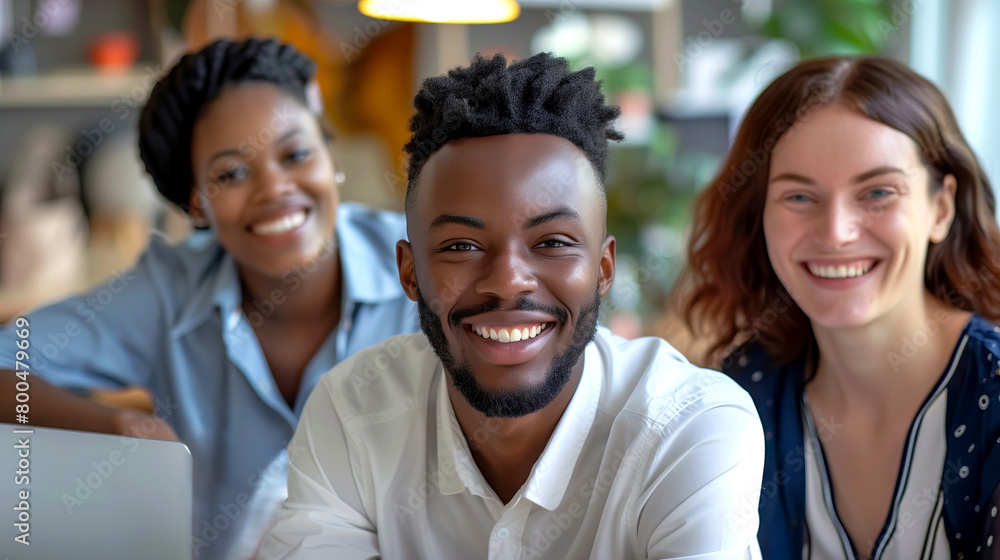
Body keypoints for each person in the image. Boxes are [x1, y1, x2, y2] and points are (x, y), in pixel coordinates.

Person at [258, 52, 765, 560]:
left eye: (552, 242)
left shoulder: (689, 429)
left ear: (604, 269)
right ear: (410, 273)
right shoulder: (351, 414)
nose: (507, 282)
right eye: (462, 246)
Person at [0, 38, 418, 559]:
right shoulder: (167, 291)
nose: (274, 189)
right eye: (232, 174)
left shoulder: (423, 262)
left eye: (296, 153)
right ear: (196, 202)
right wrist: (121, 425)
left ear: (330, 154)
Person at [671, 55, 1000, 560]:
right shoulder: (740, 396)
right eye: (800, 196)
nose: (835, 233)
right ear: (758, 214)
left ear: (940, 207)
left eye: (877, 192)